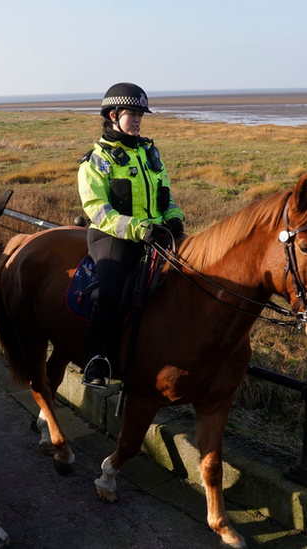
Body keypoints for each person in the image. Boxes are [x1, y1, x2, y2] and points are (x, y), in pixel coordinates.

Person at [77, 82, 185, 389]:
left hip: (155, 233)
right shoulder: (97, 160)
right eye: (132, 113)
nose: (138, 119)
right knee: (111, 293)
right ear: (114, 115)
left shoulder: (150, 152)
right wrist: (139, 229)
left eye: (141, 114)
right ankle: (96, 360)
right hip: (115, 237)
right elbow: (98, 210)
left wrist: (174, 216)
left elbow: (165, 195)